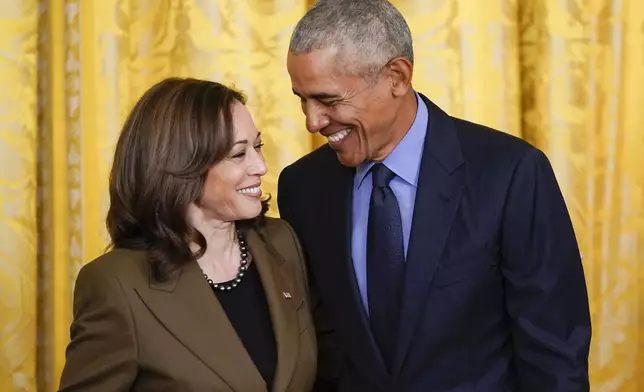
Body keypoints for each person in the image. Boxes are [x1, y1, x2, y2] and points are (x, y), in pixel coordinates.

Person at [277, 1, 591, 391]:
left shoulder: (510, 174)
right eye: (301, 99)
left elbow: (554, 352)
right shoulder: (302, 187)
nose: (312, 121)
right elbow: (320, 345)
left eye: (328, 100)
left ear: (397, 76)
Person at [58, 78, 316, 392]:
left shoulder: (282, 241)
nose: (260, 166)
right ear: (181, 166)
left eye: (257, 146)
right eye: (238, 154)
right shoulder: (116, 285)